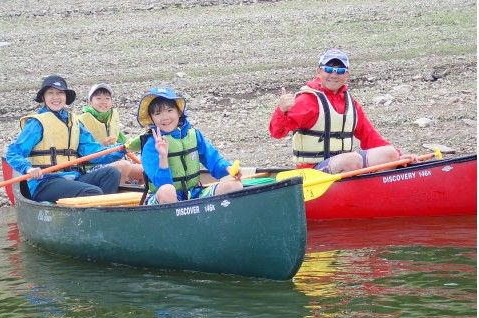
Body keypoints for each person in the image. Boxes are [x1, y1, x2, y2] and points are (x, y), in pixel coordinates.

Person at [269, 48, 416, 174]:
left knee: (389, 153)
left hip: (344, 166)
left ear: (347, 75)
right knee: (351, 159)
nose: (334, 75)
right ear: (319, 71)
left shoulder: (350, 103)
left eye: (340, 70)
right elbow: (277, 132)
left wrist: (398, 156)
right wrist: (281, 110)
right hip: (312, 171)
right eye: (328, 69)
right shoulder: (307, 100)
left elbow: (369, 135)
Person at [6, 75, 126, 202]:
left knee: (111, 173)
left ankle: (102, 213)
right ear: (43, 98)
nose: (56, 97)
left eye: (60, 93)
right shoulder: (36, 123)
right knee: (92, 192)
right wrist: (28, 168)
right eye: (50, 93)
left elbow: (94, 152)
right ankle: (95, 214)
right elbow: (12, 153)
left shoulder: (75, 122)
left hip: (73, 177)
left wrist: (121, 149)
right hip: (44, 182)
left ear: (65, 97)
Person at [137, 87, 242, 205]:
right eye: (157, 113)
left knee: (235, 185)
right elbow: (162, 184)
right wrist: (163, 156)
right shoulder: (151, 144)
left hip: (193, 194)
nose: (165, 117)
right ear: (152, 118)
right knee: (167, 191)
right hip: (163, 199)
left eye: (170, 110)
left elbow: (213, 159)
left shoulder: (194, 135)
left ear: (179, 112)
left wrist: (228, 168)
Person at [79, 83, 144, 185]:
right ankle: (117, 195)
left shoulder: (112, 119)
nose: (103, 102)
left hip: (115, 160)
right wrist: (102, 145)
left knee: (144, 170)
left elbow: (125, 142)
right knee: (124, 166)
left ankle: (137, 197)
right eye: (99, 98)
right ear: (90, 101)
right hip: (91, 166)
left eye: (107, 98)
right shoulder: (82, 121)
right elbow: (83, 150)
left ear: (112, 101)